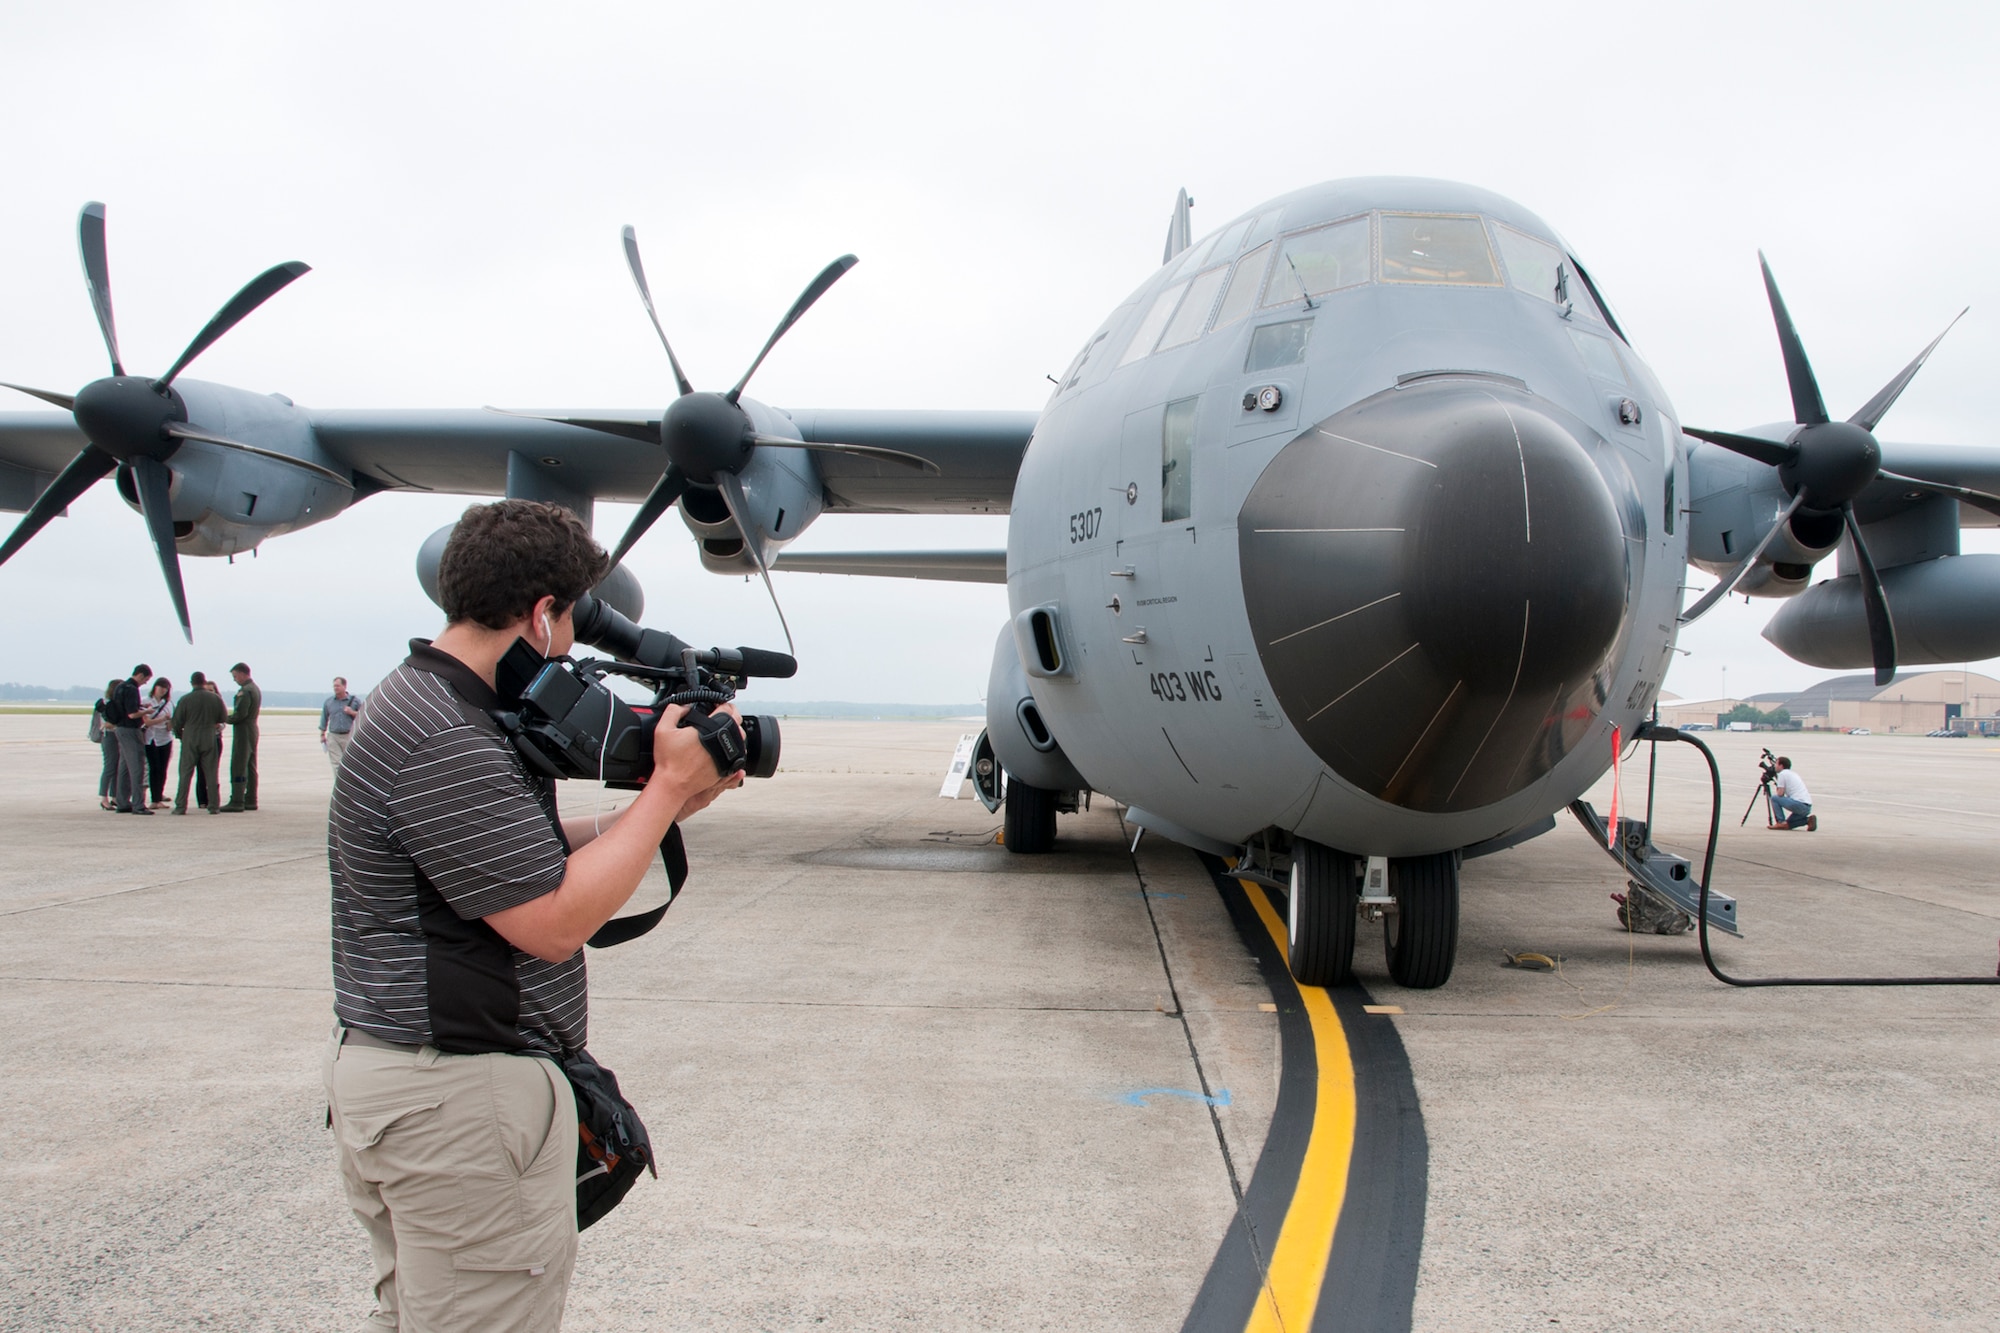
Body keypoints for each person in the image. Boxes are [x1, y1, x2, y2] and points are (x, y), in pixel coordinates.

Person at [324, 499, 741, 1333]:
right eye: (572, 622)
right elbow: (551, 921)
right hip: (461, 1097)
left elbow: (523, 852)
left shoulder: (427, 704)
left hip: (418, 1083)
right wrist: (661, 787)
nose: (571, 646)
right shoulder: (443, 733)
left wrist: (672, 803)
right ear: (542, 612)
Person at [172, 671, 228, 815]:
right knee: (211, 773)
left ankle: (180, 806)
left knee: (185, 773)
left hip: (190, 737)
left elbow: (177, 722)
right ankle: (214, 805)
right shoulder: (215, 699)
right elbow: (222, 717)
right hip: (209, 736)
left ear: (192, 683)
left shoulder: (185, 700)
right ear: (204, 682)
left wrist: (181, 735)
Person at [109, 663, 154, 815]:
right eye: (145, 680)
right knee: (137, 768)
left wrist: (140, 706)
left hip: (120, 729)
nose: (145, 683)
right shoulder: (132, 689)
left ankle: (122, 802)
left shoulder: (120, 687)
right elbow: (132, 714)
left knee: (124, 767)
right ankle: (138, 804)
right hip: (130, 730)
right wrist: (147, 711)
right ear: (140, 675)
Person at [221, 662, 262, 812]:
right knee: (251, 765)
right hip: (252, 729)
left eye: (235, 676)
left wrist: (224, 718)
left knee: (239, 764)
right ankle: (251, 799)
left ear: (243, 674)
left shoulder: (245, 691)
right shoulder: (255, 689)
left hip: (244, 730)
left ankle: (237, 800)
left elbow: (240, 714)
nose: (235, 679)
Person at [142, 678, 174, 808]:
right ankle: (154, 799)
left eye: (166, 688)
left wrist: (169, 723)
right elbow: (147, 722)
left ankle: (158, 795)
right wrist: (161, 719)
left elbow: (173, 719)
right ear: (155, 687)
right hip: (151, 738)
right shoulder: (146, 701)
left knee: (163, 768)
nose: (163, 690)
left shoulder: (169, 703)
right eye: (161, 687)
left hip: (165, 738)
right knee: (153, 768)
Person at [319, 676, 364, 770]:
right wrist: (322, 734)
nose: (335, 688)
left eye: (338, 686)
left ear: (344, 686)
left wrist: (352, 712)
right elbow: (324, 718)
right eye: (334, 686)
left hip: (349, 735)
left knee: (350, 762)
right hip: (333, 736)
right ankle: (339, 783)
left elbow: (363, 716)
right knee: (336, 764)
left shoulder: (355, 701)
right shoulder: (329, 702)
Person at [93, 679, 123, 810]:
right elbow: (105, 724)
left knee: (117, 766)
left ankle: (115, 796)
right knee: (110, 766)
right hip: (109, 735)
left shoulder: (116, 703)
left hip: (117, 735)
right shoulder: (105, 704)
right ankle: (104, 798)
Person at [1768, 755, 1817, 831]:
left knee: (1774, 798)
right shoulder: (1793, 774)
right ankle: (1808, 820)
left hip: (1799, 804)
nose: (1775, 766)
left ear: (1781, 765)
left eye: (1776, 764)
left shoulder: (1782, 774)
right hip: (1807, 807)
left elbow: (1780, 794)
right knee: (1788, 824)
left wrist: (1778, 786)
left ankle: (1780, 822)